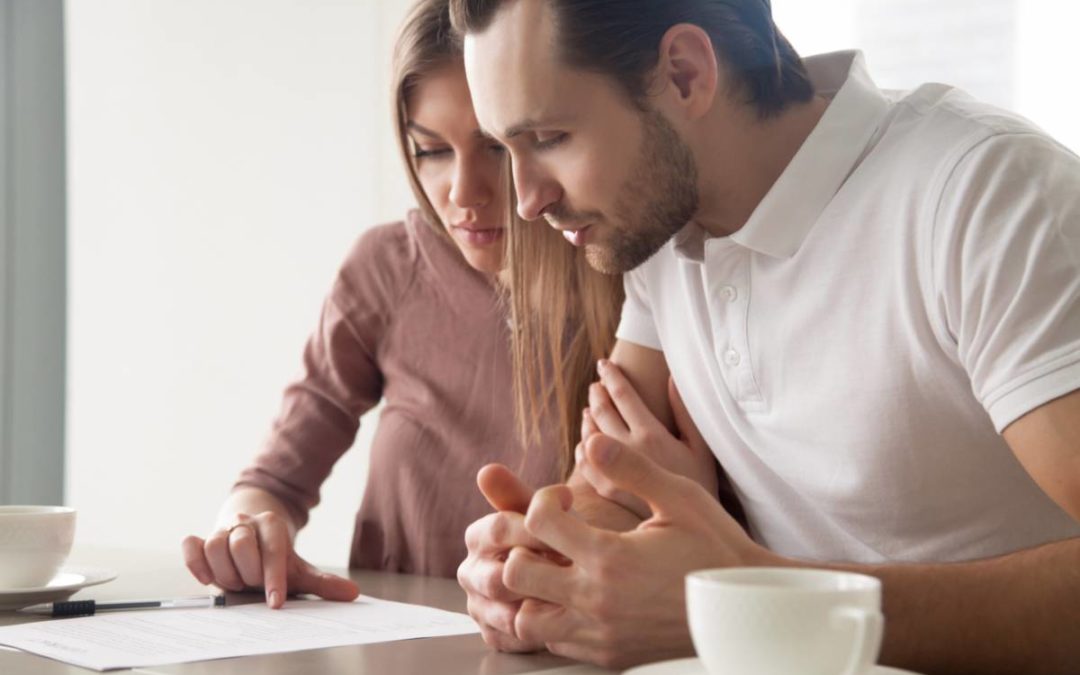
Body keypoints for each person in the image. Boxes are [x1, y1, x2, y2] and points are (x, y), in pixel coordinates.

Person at [449, 0, 1080, 673]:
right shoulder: (660, 228)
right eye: (504, 149)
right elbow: (612, 496)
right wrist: (542, 566)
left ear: (686, 74)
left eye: (547, 137)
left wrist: (752, 599)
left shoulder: (985, 195)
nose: (525, 199)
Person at [179, 0, 621, 610]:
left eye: (493, 146)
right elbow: (273, 482)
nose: (463, 194)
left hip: (558, 644)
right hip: (394, 646)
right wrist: (247, 529)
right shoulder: (387, 267)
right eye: (430, 151)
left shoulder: (630, 276)